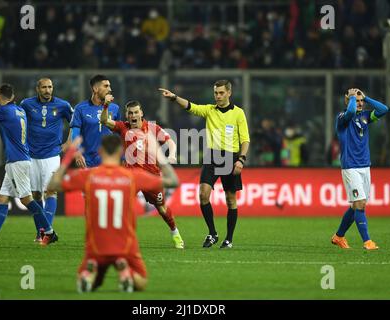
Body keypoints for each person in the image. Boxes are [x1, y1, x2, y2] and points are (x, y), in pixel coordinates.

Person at [47, 134, 179, 292]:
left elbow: (52, 185)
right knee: (141, 283)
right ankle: (125, 269)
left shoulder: (88, 176)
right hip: (125, 246)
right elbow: (173, 181)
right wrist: (157, 153)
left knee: (94, 283)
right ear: (121, 152)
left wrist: (68, 157)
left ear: (100, 151)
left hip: (95, 246)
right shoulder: (132, 176)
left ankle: (91, 270)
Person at [159, 80, 250, 249]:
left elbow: (245, 139)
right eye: (216, 93)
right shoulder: (209, 110)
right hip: (212, 157)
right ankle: (213, 233)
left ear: (229, 93)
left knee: (230, 200)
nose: (218, 96)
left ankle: (229, 239)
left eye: (221, 93)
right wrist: (174, 97)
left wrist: (241, 159)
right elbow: (191, 107)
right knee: (203, 195)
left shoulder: (238, 113)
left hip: (231, 158)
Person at [0, 84, 58, 246]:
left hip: (17, 161)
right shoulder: (20, 110)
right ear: (13, 96)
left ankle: (49, 232)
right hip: (21, 159)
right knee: (3, 198)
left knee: (27, 200)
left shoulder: (3, 111)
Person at [100, 100, 184, 249]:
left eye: (136, 112)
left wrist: (171, 155)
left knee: (162, 209)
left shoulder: (152, 128)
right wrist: (105, 106)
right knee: (120, 204)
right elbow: (104, 120)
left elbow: (170, 141)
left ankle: (175, 232)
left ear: (141, 113)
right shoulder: (122, 127)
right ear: (127, 115)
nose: (133, 115)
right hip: (131, 176)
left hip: (152, 176)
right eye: (130, 113)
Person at [331, 88, 389, 250]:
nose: (359, 103)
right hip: (351, 166)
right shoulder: (342, 118)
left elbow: (384, 109)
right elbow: (349, 112)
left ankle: (338, 236)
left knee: (356, 205)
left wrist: (366, 97)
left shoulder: (365, 117)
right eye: (356, 101)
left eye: (360, 101)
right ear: (347, 100)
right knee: (360, 204)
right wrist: (351, 98)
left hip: (365, 166)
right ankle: (367, 241)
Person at [20, 78, 73, 241]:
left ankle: (47, 233)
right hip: (32, 156)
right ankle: (41, 232)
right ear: (38, 89)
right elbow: (17, 122)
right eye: (44, 87)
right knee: (36, 195)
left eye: (50, 87)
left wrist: (69, 142)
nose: (47, 90)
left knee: (51, 191)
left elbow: (75, 123)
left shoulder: (63, 105)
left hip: (52, 155)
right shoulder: (26, 104)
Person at [70, 74, 121, 168]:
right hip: (86, 161)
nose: (110, 89)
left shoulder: (115, 108)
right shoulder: (80, 108)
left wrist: (120, 157)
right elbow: (75, 133)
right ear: (95, 88)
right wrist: (77, 152)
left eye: (109, 86)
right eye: (106, 86)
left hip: (107, 161)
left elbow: (118, 134)